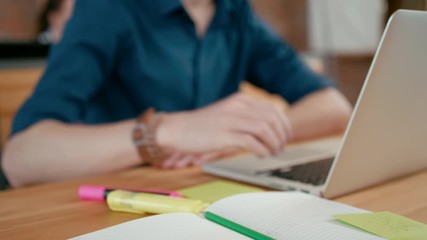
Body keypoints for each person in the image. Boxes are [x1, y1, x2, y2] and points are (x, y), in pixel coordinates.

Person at [2, 0, 352, 187]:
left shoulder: (234, 11)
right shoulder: (109, 7)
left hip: (204, 195)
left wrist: (238, 133)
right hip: (121, 201)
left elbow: (333, 107)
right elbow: (21, 158)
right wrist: (167, 132)